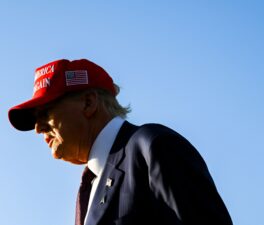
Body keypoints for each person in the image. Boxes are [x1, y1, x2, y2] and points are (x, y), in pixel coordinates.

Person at [8, 59, 232, 225]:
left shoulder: (152, 147)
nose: (38, 128)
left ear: (88, 103)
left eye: (45, 113)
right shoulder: (87, 190)